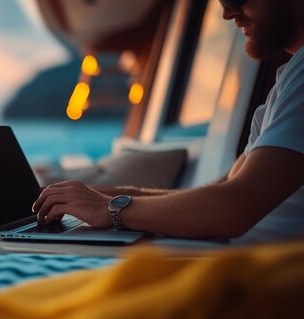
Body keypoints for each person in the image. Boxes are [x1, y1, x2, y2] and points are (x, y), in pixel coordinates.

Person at [33, 0, 304, 243]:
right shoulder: (289, 80)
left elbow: (234, 208)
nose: (226, 12)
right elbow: (223, 188)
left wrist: (108, 209)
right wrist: (107, 195)